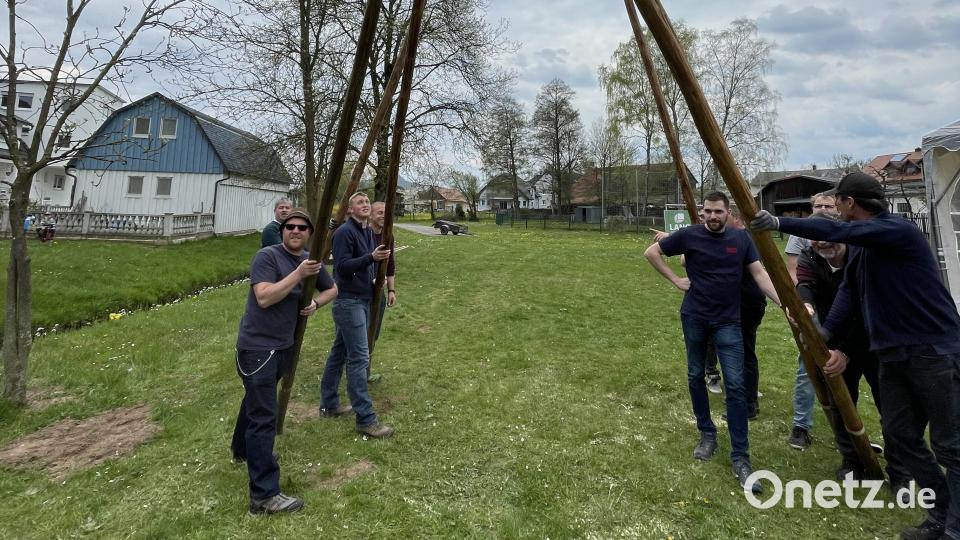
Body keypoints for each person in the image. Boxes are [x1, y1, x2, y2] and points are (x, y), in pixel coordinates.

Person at [752, 172, 960, 540]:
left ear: (850, 202)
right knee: (901, 435)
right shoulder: (864, 248)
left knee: (949, 445)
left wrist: (778, 222)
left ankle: (954, 528)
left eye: (839, 204)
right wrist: (827, 333)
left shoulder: (897, 230)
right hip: (892, 353)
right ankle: (940, 514)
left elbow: (838, 231)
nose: (837, 212)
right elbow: (850, 290)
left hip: (932, 349)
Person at [644, 191, 781, 493]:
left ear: (727, 212)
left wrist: (784, 303)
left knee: (736, 385)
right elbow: (651, 252)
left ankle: (741, 457)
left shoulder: (741, 239)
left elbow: (759, 274)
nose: (712, 216)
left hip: (728, 321)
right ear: (702, 212)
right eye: (707, 211)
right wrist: (675, 280)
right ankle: (707, 434)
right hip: (694, 317)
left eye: (718, 211)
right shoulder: (689, 235)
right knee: (695, 375)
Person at [231, 208, 337, 514]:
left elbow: (333, 288)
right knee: (264, 416)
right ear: (282, 231)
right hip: (258, 348)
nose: (296, 231)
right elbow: (264, 297)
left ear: (310, 234)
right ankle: (263, 496)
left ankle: (241, 451)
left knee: (255, 401)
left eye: (302, 227)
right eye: (290, 226)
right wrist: (298, 275)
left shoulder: (310, 261)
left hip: (283, 347)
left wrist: (316, 302)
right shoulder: (267, 257)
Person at [795, 213, 911, 489]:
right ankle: (852, 461)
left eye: (828, 235)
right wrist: (806, 309)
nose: (823, 242)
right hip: (834, 341)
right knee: (840, 404)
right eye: (815, 237)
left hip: (876, 340)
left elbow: (863, 310)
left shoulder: (862, 257)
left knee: (891, 407)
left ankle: (900, 471)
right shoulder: (809, 258)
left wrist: (845, 352)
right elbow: (804, 286)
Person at [320, 192, 394, 438]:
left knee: (339, 353)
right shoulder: (344, 232)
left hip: (363, 299)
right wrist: (370, 258)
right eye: (359, 202)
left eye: (367, 202)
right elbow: (341, 267)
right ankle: (365, 418)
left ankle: (329, 404)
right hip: (348, 301)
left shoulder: (367, 232)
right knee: (359, 358)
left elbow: (368, 264)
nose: (365, 204)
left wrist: (374, 275)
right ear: (350, 209)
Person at [785, 193, 838, 451]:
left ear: (837, 209)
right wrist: (804, 305)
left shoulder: (846, 233)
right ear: (811, 208)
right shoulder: (802, 236)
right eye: (819, 205)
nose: (823, 208)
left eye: (829, 205)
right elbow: (794, 272)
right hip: (812, 305)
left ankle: (845, 427)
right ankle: (801, 425)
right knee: (808, 366)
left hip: (842, 308)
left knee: (844, 365)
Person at [368, 201, 397, 383]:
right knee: (358, 334)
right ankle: (354, 369)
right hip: (361, 292)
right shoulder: (364, 234)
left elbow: (390, 264)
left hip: (379, 292)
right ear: (370, 215)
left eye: (386, 213)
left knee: (373, 333)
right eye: (379, 212)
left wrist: (391, 290)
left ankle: (366, 370)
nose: (383, 216)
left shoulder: (388, 236)